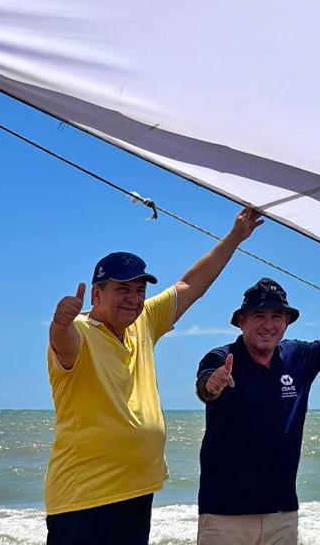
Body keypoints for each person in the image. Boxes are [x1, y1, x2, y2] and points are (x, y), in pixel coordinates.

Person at [45, 206, 263, 544]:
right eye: (123, 289)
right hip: (84, 500)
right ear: (96, 294)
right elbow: (63, 343)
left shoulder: (143, 322)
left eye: (139, 290)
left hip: (136, 491)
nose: (134, 299)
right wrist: (59, 323)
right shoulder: (79, 332)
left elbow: (191, 285)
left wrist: (235, 237)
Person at [194, 265, 320, 544]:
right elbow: (205, 386)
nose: (268, 324)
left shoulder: (298, 355)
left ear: (287, 321)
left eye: (276, 316)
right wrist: (214, 383)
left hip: (282, 514)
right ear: (242, 321)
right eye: (259, 315)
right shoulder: (221, 357)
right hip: (224, 514)